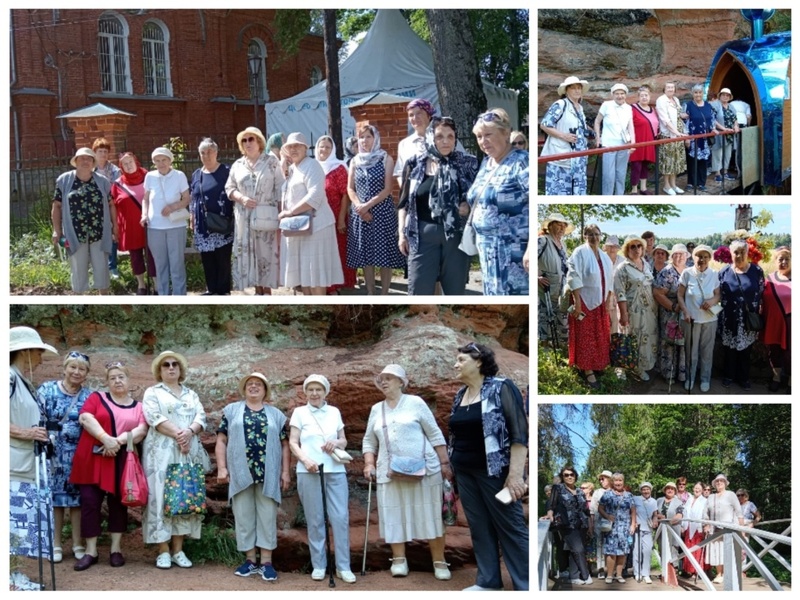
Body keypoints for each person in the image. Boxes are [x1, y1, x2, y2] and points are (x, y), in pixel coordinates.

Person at [362, 365, 451, 580]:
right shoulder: (377, 409)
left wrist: (445, 463)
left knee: (431, 514)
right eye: (381, 379)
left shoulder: (416, 403)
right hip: (389, 471)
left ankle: (439, 562)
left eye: (389, 378)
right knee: (393, 514)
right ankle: (399, 560)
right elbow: (368, 440)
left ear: (401, 382)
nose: (384, 382)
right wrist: (368, 464)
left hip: (426, 469)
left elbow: (435, 433)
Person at [451, 343, 529, 590]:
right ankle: (488, 582)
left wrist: (515, 476)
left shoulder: (501, 387)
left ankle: (527, 585)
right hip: (464, 472)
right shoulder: (459, 395)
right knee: (479, 527)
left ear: (479, 362)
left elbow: (519, 434)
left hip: (495, 472)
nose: (456, 364)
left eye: (461, 360)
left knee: (511, 527)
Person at [68, 362, 148, 570]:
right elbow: (85, 418)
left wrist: (117, 442)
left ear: (129, 380)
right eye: (112, 378)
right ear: (107, 382)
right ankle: (90, 551)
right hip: (93, 456)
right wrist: (105, 439)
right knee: (89, 503)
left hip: (120, 458)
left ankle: (116, 549)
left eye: (121, 376)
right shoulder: (97, 398)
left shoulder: (139, 407)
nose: (117, 380)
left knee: (118, 504)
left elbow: (141, 430)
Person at [216, 372, 290, 581]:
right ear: (244, 389)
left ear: (265, 390)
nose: (254, 387)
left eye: (259, 384)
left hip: (269, 473)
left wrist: (285, 472)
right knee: (244, 516)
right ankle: (250, 561)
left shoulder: (275, 414)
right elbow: (221, 440)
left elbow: (285, 445)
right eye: (250, 384)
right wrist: (222, 468)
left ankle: (266, 562)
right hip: (240, 472)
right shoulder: (231, 411)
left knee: (267, 516)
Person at [141, 351, 210, 570]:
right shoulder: (153, 392)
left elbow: (201, 417)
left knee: (183, 495)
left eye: (174, 365)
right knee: (160, 496)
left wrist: (189, 433)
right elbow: (154, 418)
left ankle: (178, 550)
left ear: (180, 370)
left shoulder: (191, 394)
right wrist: (181, 435)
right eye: (165, 365)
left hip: (187, 452)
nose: (171, 368)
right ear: (159, 371)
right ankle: (162, 550)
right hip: (160, 453)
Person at [398, 116, 478, 295]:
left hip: (456, 238)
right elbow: (404, 203)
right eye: (440, 136)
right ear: (430, 138)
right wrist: (402, 234)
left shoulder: (467, 163)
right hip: (421, 236)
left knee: (454, 294)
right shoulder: (414, 164)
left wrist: (468, 207)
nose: (446, 141)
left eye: (451, 137)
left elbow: (480, 199)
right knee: (419, 291)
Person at [288, 375, 355, 583]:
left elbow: (343, 440)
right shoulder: (300, 412)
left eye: (319, 389)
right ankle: (319, 565)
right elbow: (293, 442)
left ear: (325, 392)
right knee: (315, 518)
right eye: (310, 389)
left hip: (335, 470)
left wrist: (336, 442)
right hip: (309, 470)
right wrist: (306, 460)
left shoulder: (334, 411)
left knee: (340, 518)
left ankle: (343, 567)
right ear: (305, 392)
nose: (314, 393)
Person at [10, 327, 59, 585]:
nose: (41, 357)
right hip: (12, 465)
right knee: (10, 525)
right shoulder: (7, 377)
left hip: (26, 463)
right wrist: (27, 433)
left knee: (18, 525)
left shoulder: (21, 380)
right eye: (38, 351)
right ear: (25, 351)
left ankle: (11, 576)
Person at [37, 351, 93, 563]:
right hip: (52, 453)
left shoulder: (89, 396)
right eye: (73, 367)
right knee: (56, 500)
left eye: (81, 369)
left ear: (86, 373)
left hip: (79, 454)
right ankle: (56, 543)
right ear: (65, 368)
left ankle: (78, 543)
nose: (76, 372)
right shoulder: (47, 389)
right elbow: (38, 416)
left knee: (77, 500)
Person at [468, 108, 529, 295]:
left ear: (505, 134)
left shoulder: (521, 161)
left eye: (488, 135)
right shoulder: (487, 163)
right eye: (479, 137)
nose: (482, 141)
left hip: (514, 253)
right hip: (488, 252)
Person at [278, 132, 344, 295]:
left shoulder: (312, 165)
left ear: (305, 148)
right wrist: (283, 168)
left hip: (317, 226)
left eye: (297, 146)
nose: (293, 149)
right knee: (304, 276)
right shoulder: (292, 169)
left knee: (316, 275)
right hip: (299, 228)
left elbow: (315, 196)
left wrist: (290, 212)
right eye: (290, 146)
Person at [346, 124, 406, 295]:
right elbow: (350, 188)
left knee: (384, 255)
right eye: (361, 137)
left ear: (375, 138)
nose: (365, 141)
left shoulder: (385, 158)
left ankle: (384, 293)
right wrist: (359, 206)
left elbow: (387, 188)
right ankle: (371, 293)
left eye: (368, 137)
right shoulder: (355, 161)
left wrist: (367, 205)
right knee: (366, 256)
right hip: (361, 214)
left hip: (381, 212)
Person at [226, 126, 284, 295]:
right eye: (244, 140)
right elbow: (229, 188)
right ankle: (257, 291)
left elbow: (281, 189)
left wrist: (281, 215)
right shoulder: (238, 164)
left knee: (265, 254)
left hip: (265, 215)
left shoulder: (272, 162)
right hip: (244, 217)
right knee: (248, 254)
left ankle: (267, 292)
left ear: (259, 142)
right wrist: (241, 198)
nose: (247, 143)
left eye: (251, 139)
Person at [51, 147, 115, 294]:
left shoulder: (103, 181)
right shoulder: (64, 180)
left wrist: (115, 229)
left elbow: (111, 205)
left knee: (102, 268)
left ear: (93, 162)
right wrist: (57, 231)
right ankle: (80, 302)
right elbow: (57, 206)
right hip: (75, 233)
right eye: (82, 158)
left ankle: (103, 299)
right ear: (76, 161)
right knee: (78, 270)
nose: (85, 161)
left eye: (89, 159)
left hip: (99, 232)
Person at [566, 225, 614, 389]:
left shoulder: (604, 256)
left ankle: (597, 364)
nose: (594, 237)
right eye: (590, 234)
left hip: (600, 302)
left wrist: (607, 301)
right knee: (586, 336)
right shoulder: (580, 252)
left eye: (596, 234)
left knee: (599, 334)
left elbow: (609, 281)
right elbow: (573, 276)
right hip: (584, 301)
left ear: (601, 236)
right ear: (584, 236)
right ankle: (587, 369)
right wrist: (577, 302)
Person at [141, 146, 190, 296]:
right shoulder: (150, 176)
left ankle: (179, 295)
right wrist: (144, 215)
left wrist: (174, 206)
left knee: (176, 264)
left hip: (176, 225)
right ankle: (163, 295)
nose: (161, 163)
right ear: (153, 162)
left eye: (164, 160)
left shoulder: (179, 175)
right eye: (157, 161)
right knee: (160, 264)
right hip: (155, 227)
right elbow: (146, 199)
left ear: (170, 161)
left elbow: (187, 198)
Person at [718, 239, 765, 390]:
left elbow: (762, 292)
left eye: (742, 252)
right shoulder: (724, 272)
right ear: (731, 254)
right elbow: (717, 293)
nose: (739, 255)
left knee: (746, 350)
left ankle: (744, 378)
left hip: (748, 319)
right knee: (729, 349)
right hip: (729, 318)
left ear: (748, 253)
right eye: (735, 252)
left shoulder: (756, 271)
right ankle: (728, 376)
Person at [190, 138, 234, 295]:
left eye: (209, 152)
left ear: (216, 152)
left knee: (222, 258)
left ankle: (223, 291)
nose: (206, 155)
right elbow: (193, 198)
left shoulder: (226, 171)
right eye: (202, 152)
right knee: (207, 258)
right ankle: (211, 289)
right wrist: (192, 218)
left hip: (222, 222)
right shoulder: (197, 174)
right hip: (203, 225)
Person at [315, 135, 356, 293]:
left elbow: (345, 195)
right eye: (321, 146)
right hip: (317, 220)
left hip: (335, 219)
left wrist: (341, 220)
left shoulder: (338, 168)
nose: (323, 150)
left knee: (336, 254)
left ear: (333, 150)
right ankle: (323, 286)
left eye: (327, 147)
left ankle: (335, 287)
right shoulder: (312, 167)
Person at [111, 152, 157, 295]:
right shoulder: (118, 184)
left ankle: (156, 285)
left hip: (151, 224)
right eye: (125, 163)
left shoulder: (149, 177)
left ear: (136, 162)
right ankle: (141, 285)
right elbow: (113, 205)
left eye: (130, 161)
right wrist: (115, 227)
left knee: (153, 255)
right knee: (135, 257)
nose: (128, 165)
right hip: (130, 227)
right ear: (121, 167)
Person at [678, 244, 721, 392]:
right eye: (699, 256)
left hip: (709, 319)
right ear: (693, 256)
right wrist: (685, 311)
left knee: (707, 352)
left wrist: (711, 302)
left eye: (705, 257)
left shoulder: (714, 274)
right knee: (691, 352)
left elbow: (718, 295)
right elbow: (680, 294)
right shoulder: (687, 273)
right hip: (691, 319)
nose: (701, 259)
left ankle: (705, 379)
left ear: (709, 258)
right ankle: (690, 378)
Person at [615, 235, 658, 381]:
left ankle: (640, 366)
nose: (636, 249)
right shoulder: (622, 268)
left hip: (648, 309)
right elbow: (619, 292)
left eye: (639, 246)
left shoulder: (645, 264)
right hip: (632, 309)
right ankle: (623, 368)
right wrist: (623, 313)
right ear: (627, 249)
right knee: (628, 337)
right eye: (632, 246)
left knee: (644, 338)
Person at [540, 76, 590, 195]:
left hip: (579, 158)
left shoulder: (580, 108)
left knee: (578, 191)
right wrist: (563, 136)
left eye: (579, 88)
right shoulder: (560, 104)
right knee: (560, 191)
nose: (577, 90)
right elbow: (545, 125)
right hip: (562, 155)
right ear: (566, 90)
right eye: (573, 88)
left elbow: (580, 126)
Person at [544, 467, 591, 586]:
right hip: (567, 524)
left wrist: (590, 525)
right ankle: (585, 575)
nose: (569, 477)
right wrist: (549, 514)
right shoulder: (558, 488)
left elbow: (586, 510)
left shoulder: (580, 491)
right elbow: (551, 504)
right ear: (562, 477)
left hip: (582, 524)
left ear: (575, 476)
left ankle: (574, 576)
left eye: (572, 474)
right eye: (566, 475)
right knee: (578, 549)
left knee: (575, 550)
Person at [654, 244, 690, 385]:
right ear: (672, 256)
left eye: (682, 254)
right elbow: (657, 293)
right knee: (669, 344)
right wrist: (674, 306)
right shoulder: (667, 272)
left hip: (685, 313)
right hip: (670, 312)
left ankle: (681, 374)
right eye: (676, 254)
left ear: (687, 256)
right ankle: (668, 374)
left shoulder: (689, 271)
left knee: (683, 345)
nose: (679, 256)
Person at [594, 83, 635, 195]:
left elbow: (630, 126)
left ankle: (619, 196)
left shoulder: (628, 108)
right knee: (608, 175)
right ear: (612, 95)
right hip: (609, 145)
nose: (619, 96)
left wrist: (633, 143)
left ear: (625, 95)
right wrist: (598, 138)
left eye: (622, 93)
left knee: (621, 173)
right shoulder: (606, 105)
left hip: (623, 144)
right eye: (617, 93)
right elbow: (597, 121)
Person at [537, 213, 573, 340]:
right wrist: (537, 277)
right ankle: (544, 350)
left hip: (561, 291)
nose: (562, 228)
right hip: (545, 290)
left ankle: (561, 349)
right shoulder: (542, 240)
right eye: (559, 224)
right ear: (550, 226)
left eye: (564, 225)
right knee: (544, 322)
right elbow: (528, 260)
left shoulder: (563, 244)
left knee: (562, 323)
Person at [704, 474, 743, 584]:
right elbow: (705, 512)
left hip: (728, 529)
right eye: (717, 481)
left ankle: (727, 574)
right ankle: (719, 573)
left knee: (727, 551)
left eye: (721, 481)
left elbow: (739, 512)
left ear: (725, 483)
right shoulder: (711, 497)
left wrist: (742, 529)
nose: (719, 483)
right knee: (716, 551)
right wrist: (706, 524)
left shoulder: (731, 495)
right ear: (714, 484)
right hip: (714, 529)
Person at [761, 246, 791, 393]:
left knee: (791, 353)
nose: (784, 262)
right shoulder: (770, 279)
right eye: (781, 259)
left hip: (790, 322)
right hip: (773, 322)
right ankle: (776, 378)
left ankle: (792, 381)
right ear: (775, 261)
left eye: (787, 259)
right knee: (774, 352)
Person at [598, 472, 636, 584]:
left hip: (624, 527)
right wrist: (607, 516)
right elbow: (600, 508)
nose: (618, 483)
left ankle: (619, 575)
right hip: (611, 528)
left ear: (623, 482)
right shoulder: (607, 494)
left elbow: (633, 510)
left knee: (622, 552)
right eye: (616, 480)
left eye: (620, 480)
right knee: (611, 552)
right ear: (612, 482)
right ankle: (609, 575)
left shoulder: (629, 495)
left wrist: (633, 524)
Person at [92, 137, 122, 278]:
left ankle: (113, 267)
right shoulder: (90, 170)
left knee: (112, 236)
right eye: (100, 151)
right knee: (95, 238)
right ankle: (98, 268)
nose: (103, 154)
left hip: (110, 207)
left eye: (105, 151)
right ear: (94, 153)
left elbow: (117, 188)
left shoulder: (114, 170)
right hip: (93, 209)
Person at [683, 84, 721, 192]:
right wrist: (686, 137)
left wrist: (713, 129)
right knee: (692, 161)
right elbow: (685, 122)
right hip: (692, 138)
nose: (698, 94)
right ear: (692, 94)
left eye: (700, 92)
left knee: (703, 161)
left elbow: (712, 119)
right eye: (695, 92)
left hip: (704, 139)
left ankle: (701, 183)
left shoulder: (708, 106)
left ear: (703, 93)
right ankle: (691, 183)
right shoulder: (688, 105)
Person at [394, 98, 436, 188]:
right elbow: (400, 172)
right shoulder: (404, 145)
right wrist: (407, 193)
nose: (415, 118)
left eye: (419, 113)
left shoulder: (444, 138)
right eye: (411, 115)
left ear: (429, 115)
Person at [655, 82, 687, 195]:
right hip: (669, 135)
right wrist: (676, 132)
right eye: (668, 87)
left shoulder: (676, 99)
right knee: (667, 161)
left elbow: (678, 116)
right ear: (664, 89)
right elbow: (665, 119)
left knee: (676, 161)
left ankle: (674, 185)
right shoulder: (661, 100)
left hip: (678, 136)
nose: (670, 89)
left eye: (672, 87)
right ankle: (666, 186)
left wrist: (684, 116)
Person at [629, 85, 659, 195]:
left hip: (650, 140)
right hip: (637, 141)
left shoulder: (653, 110)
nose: (644, 97)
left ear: (650, 96)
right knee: (636, 165)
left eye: (646, 95)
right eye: (642, 96)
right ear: (638, 97)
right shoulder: (633, 108)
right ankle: (634, 189)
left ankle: (643, 188)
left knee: (645, 165)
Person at [710, 88, 740, 182]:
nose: (725, 96)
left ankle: (725, 172)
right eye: (723, 94)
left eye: (727, 95)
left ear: (730, 97)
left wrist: (736, 126)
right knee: (718, 153)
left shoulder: (731, 106)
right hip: (719, 133)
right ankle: (717, 173)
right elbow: (712, 119)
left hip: (729, 134)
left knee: (728, 154)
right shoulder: (715, 105)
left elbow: (735, 118)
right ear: (720, 95)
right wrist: (723, 129)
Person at [632, 482, 657, 584]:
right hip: (638, 529)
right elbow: (632, 512)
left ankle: (646, 574)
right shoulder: (636, 499)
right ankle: (637, 572)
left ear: (650, 490)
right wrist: (634, 522)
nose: (646, 491)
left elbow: (655, 514)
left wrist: (655, 520)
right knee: (636, 552)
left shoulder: (653, 501)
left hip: (648, 529)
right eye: (643, 489)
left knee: (647, 551)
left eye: (647, 489)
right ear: (640, 490)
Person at [682, 482, 708, 577]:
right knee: (688, 548)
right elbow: (685, 513)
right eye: (695, 488)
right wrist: (683, 526)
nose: (697, 490)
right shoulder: (689, 499)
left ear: (702, 490)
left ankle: (697, 571)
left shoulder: (704, 501)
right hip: (688, 527)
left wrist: (705, 525)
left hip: (698, 528)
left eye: (699, 489)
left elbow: (705, 515)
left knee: (697, 549)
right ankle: (689, 570)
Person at [591, 470, 613, 577]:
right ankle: (600, 569)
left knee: (611, 545)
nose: (601, 481)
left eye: (603, 478)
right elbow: (592, 510)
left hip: (612, 523)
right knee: (599, 545)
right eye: (600, 479)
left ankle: (610, 570)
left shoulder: (615, 491)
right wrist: (591, 525)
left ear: (609, 479)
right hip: (599, 523)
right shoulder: (597, 492)